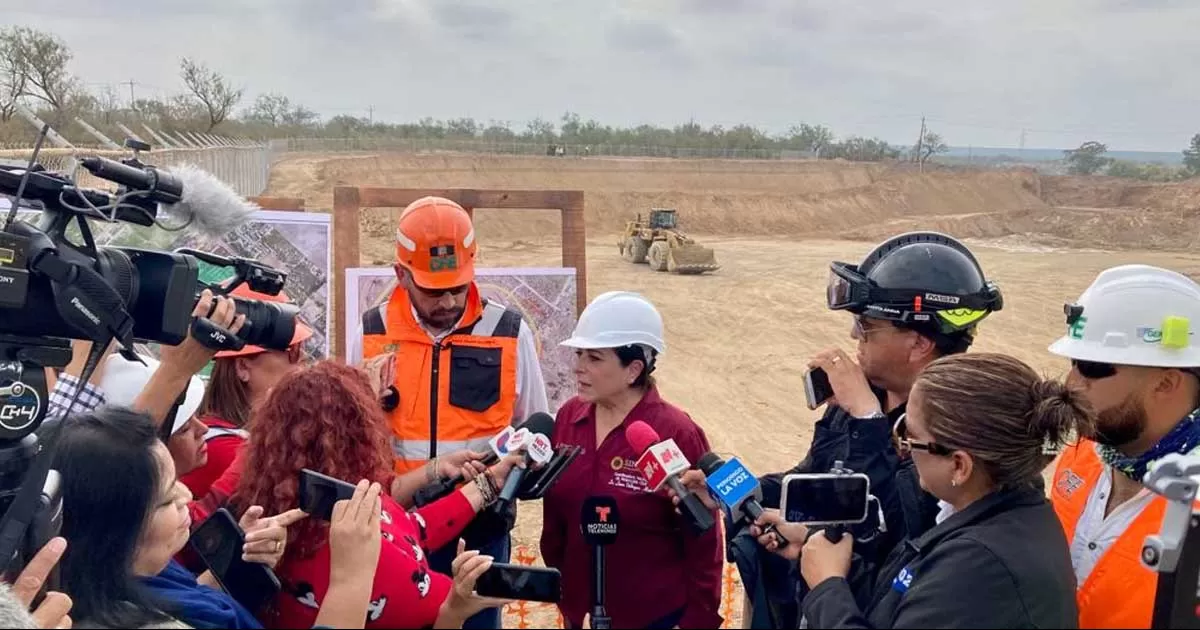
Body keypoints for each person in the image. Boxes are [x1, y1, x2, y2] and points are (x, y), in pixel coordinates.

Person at [719, 231, 1005, 628]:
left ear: (919, 343)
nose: (854, 336)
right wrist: (742, 489)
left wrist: (868, 422)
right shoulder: (860, 399)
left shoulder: (958, 431)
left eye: (867, 326)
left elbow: (902, 535)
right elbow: (811, 480)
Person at [775, 353, 1085, 628]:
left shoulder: (980, 568)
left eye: (909, 437)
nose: (903, 448)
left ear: (959, 466)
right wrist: (821, 553)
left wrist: (827, 588)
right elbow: (905, 599)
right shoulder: (988, 516)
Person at [356, 195, 550, 629]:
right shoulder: (371, 332)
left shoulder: (507, 333)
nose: (446, 301)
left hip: (478, 529)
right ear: (401, 276)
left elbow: (534, 424)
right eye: (432, 289)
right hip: (396, 525)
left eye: (457, 287)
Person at [232, 360, 529, 629]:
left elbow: (411, 528)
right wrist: (468, 587)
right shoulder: (355, 548)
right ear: (358, 435)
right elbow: (431, 598)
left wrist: (488, 483)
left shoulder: (304, 508)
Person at [540, 291, 724, 629]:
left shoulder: (676, 432)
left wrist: (699, 619)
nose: (578, 367)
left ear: (633, 369)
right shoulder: (568, 417)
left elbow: (704, 538)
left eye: (594, 358)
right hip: (579, 612)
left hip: (654, 616)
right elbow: (555, 515)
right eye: (579, 353)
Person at [1047, 264, 1200, 628]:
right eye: (1073, 363)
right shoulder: (1082, 455)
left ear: (1165, 383)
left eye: (1092, 367)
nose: (1070, 383)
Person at [53, 406, 299, 629]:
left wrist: (237, 559)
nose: (188, 495)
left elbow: (190, 594)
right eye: (168, 499)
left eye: (177, 482)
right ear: (116, 531)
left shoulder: (127, 577)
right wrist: (339, 583)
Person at [182, 284, 314, 498]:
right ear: (243, 367)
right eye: (293, 351)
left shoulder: (219, 433)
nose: (303, 361)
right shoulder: (226, 450)